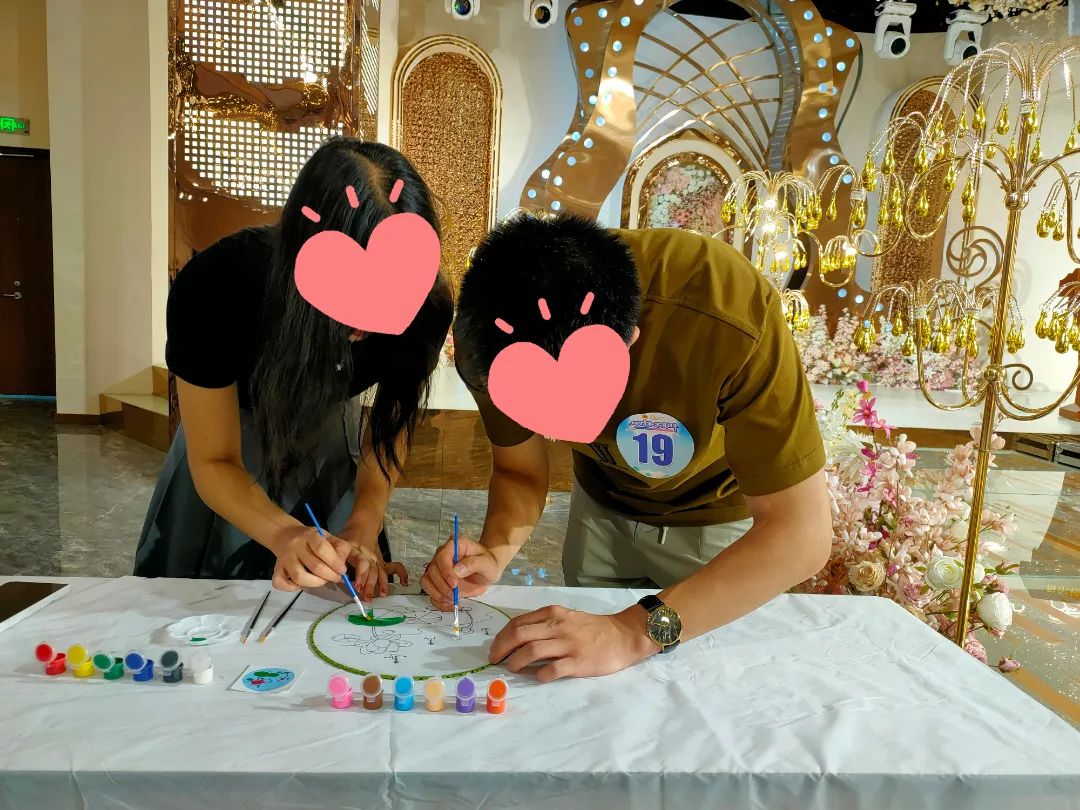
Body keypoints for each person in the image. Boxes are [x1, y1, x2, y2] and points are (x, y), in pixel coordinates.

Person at [421, 213, 831, 681]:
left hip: (716, 523)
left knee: (708, 682)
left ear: (630, 341)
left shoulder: (726, 311)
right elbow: (520, 470)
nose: (557, 435)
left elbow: (800, 534)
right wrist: (494, 551)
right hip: (602, 507)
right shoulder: (494, 338)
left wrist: (630, 632)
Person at [136, 138, 453, 598]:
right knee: (211, 614)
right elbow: (214, 459)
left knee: (333, 604)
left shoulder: (426, 304)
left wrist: (364, 523)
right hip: (226, 460)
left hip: (329, 454)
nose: (369, 322)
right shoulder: (217, 285)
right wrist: (284, 533)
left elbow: (390, 421)